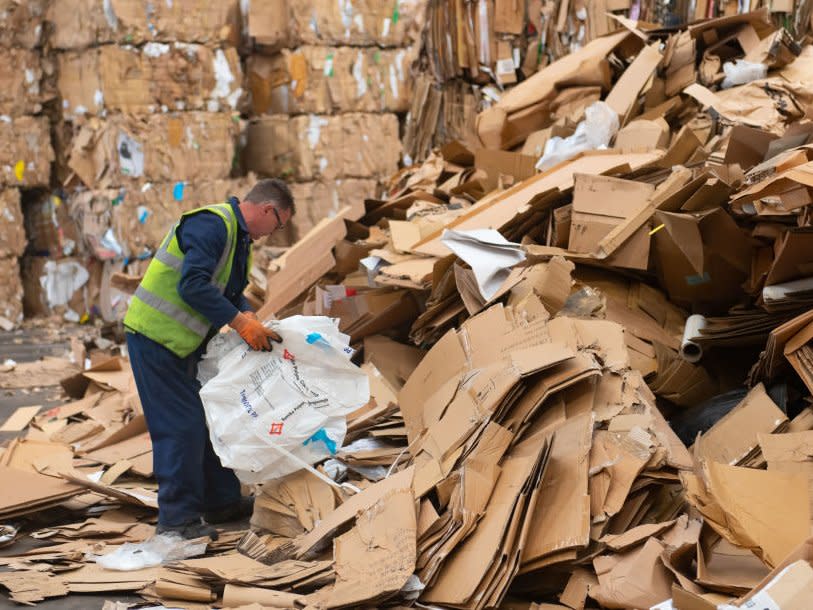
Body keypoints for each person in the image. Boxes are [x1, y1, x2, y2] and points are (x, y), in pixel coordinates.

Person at [123, 178, 295, 540]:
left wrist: (250, 318)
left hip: (180, 343)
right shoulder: (212, 225)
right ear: (267, 210)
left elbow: (230, 293)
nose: (274, 234)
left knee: (206, 422)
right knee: (180, 427)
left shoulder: (238, 239)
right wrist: (239, 323)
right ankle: (177, 522)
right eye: (278, 225)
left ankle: (221, 502)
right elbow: (193, 285)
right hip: (154, 337)